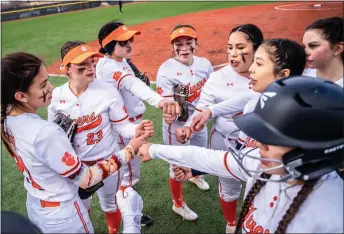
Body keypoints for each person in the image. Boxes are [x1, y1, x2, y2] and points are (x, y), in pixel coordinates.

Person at [138, 76, 344, 233]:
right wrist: (154, 149)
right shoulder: (263, 163)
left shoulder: (333, 218)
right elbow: (209, 158)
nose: (259, 144)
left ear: (314, 150)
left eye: (273, 138)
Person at [1, 52, 146, 233]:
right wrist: (130, 150)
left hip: (37, 205)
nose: (51, 88)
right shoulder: (45, 132)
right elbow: (87, 179)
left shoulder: (6, 119)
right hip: (63, 214)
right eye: (43, 84)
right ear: (21, 96)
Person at [47, 41, 153, 234]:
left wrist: (136, 130)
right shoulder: (57, 96)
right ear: (67, 69)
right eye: (82, 64)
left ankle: (113, 231)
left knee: (110, 204)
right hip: (77, 167)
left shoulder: (107, 91)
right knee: (82, 204)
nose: (90, 67)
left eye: (91, 62)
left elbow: (122, 126)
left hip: (109, 161)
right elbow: (53, 134)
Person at [175, 24, 263, 232]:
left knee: (260, 187)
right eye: (229, 47)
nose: (233, 54)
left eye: (240, 47)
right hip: (225, 140)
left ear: (257, 48)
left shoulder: (269, 74)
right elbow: (202, 108)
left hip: (261, 144)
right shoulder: (218, 77)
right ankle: (231, 224)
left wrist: (211, 111)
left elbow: (253, 98)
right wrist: (189, 127)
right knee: (229, 186)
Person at [96, 19, 180, 226]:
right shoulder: (108, 67)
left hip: (126, 123)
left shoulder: (119, 61)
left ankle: (123, 209)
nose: (129, 44)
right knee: (128, 175)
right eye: (123, 42)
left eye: (129, 40)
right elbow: (131, 83)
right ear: (109, 45)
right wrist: (160, 101)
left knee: (124, 173)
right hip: (125, 127)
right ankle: (129, 216)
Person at [155, 24, 214, 221]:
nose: (184, 47)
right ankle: (178, 203)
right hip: (177, 126)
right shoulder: (166, 70)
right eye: (178, 44)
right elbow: (168, 103)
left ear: (196, 44)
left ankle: (196, 175)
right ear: (172, 46)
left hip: (199, 121)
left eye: (189, 42)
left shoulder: (204, 64)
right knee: (177, 166)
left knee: (200, 152)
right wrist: (168, 112)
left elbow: (212, 90)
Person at [302, 16, 343, 87]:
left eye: (313, 45)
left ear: (338, 49)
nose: (305, 52)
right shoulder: (299, 78)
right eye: (304, 47)